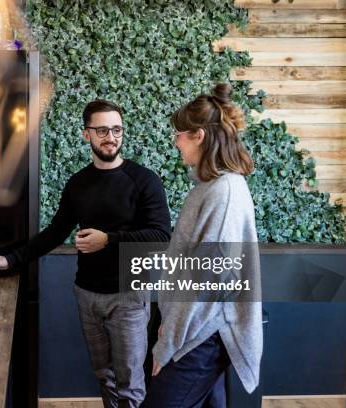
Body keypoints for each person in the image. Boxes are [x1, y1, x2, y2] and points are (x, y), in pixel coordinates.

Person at [0, 99, 172, 407]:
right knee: (104, 374)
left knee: (129, 382)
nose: (110, 137)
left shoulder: (144, 180)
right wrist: (10, 259)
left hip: (129, 294)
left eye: (116, 129)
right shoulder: (78, 183)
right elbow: (56, 231)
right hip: (86, 293)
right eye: (101, 130)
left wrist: (108, 240)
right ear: (87, 134)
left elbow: (161, 236)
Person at [142, 83, 263, 408]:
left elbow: (205, 285)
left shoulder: (223, 194)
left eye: (179, 134)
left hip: (203, 335)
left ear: (199, 135)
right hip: (199, 328)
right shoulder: (211, 187)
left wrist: (167, 343)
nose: (175, 141)